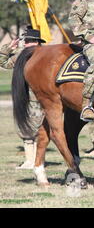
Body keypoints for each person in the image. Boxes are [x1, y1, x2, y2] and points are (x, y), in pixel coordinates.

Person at [0, 27, 46, 169]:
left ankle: (34, 161)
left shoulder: (39, 55)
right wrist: (8, 47)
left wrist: (8, 48)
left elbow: (3, 61)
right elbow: (3, 62)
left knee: (34, 130)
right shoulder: (25, 54)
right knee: (31, 130)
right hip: (33, 98)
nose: (25, 43)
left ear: (34, 42)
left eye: (27, 41)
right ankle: (32, 161)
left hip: (36, 97)